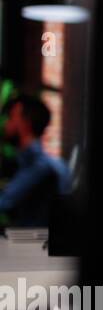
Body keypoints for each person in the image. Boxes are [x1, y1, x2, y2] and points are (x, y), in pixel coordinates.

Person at [0, 94, 71, 227]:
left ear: (25, 123)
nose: (5, 124)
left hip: (33, 244)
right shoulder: (58, 164)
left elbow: (4, 202)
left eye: (10, 117)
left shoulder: (39, 167)